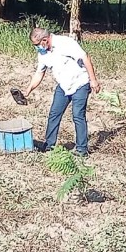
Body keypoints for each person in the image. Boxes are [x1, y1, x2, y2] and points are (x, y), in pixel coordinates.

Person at [24, 28, 101, 156]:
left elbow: (85, 57)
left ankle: (82, 149)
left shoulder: (65, 43)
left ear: (45, 40)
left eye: (37, 45)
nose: (36, 48)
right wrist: (28, 90)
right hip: (64, 85)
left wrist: (93, 80)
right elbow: (40, 73)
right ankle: (49, 146)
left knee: (77, 115)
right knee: (54, 113)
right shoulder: (43, 54)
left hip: (80, 83)